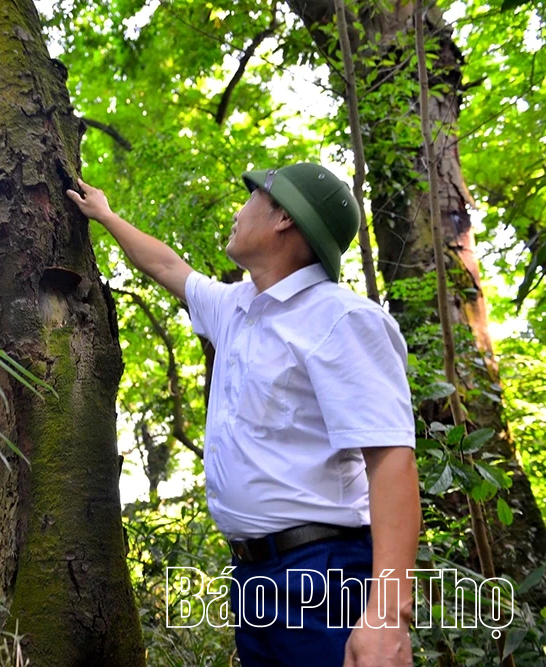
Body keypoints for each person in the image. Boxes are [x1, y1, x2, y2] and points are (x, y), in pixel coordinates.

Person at [66, 163, 420, 667]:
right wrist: (105, 216)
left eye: (252, 198)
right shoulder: (237, 307)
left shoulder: (343, 319)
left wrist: (387, 615)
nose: (239, 210)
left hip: (324, 573)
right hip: (253, 578)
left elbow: (391, 465)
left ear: (283, 219)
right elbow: (168, 268)